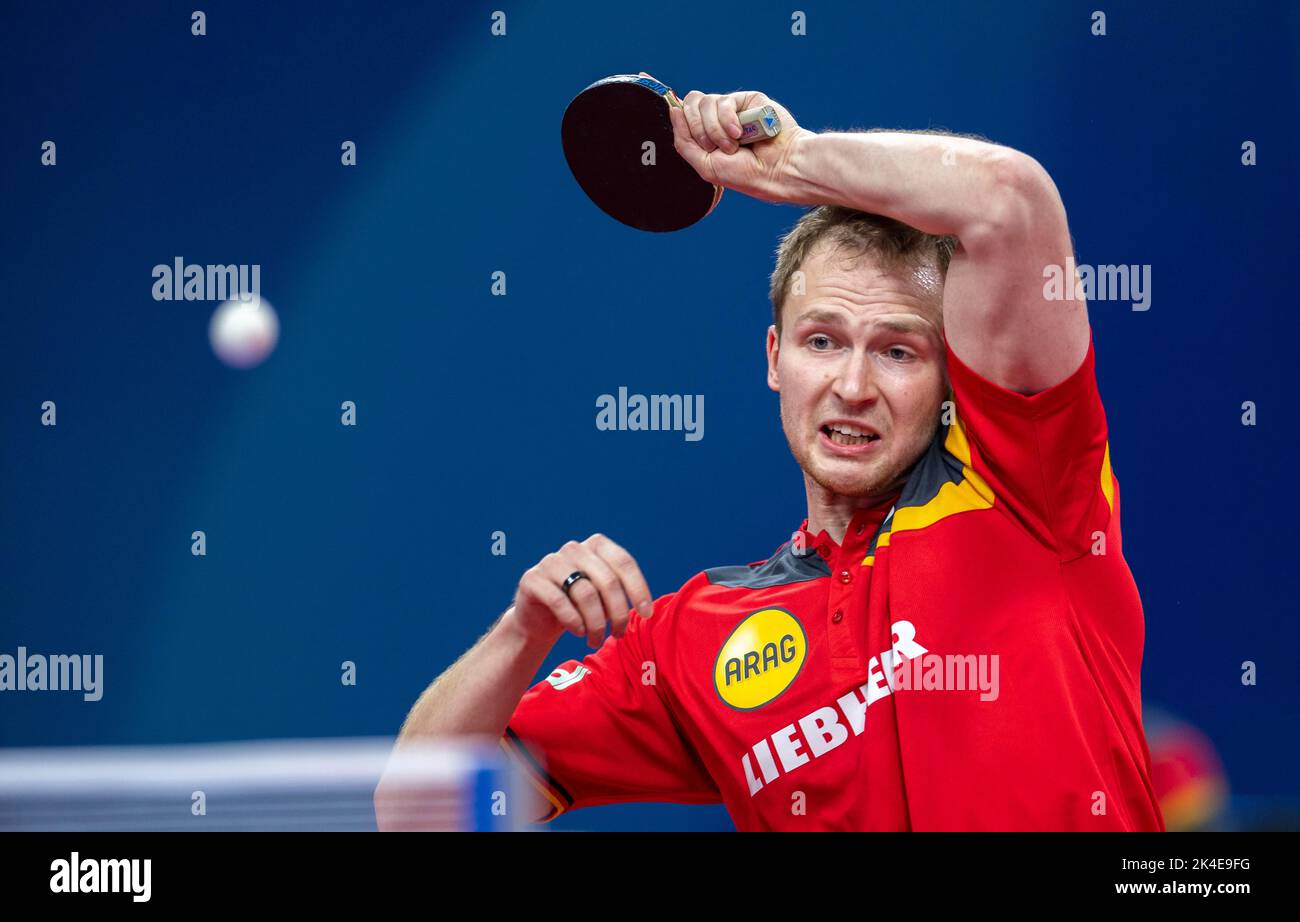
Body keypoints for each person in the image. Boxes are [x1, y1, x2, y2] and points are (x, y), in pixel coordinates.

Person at [377, 87, 1164, 831]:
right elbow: (418, 813)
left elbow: (1009, 200)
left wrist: (793, 161)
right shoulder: (690, 644)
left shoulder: (1026, 488)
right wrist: (523, 631)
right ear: (775, 359)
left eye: (897, 351)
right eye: (823, 342)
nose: (853, 385)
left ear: (953, 375)